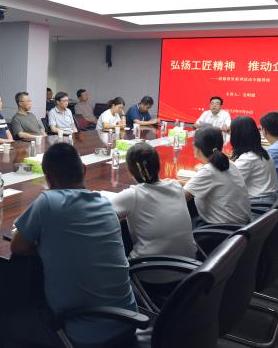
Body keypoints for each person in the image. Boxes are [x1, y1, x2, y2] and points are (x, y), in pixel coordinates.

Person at [10, 143, 136, 347]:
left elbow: (17, 247)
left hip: (86, 331)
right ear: (84, 170)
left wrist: (48, 247)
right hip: (129, 320)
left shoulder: (47, 202)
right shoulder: (105, 205)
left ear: (49, 179)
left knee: (13, 323)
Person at [111, 143, 196, 258]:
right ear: (159, 166)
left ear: (130, 171)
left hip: (151, 266)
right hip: (189, 263)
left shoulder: (133, 195)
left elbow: (101, 214)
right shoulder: (175, 186)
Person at [183, 127, 251, 226]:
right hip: (241, 226)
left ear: (197, 148)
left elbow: (180, 198)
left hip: (222, 229)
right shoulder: (229, 163)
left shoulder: (208, 171)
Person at [230, 116, 278, 203]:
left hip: (257, 204)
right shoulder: (261, 152)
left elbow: (229, 183)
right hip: (267, 200)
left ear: (236, 136)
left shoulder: (248, 158)